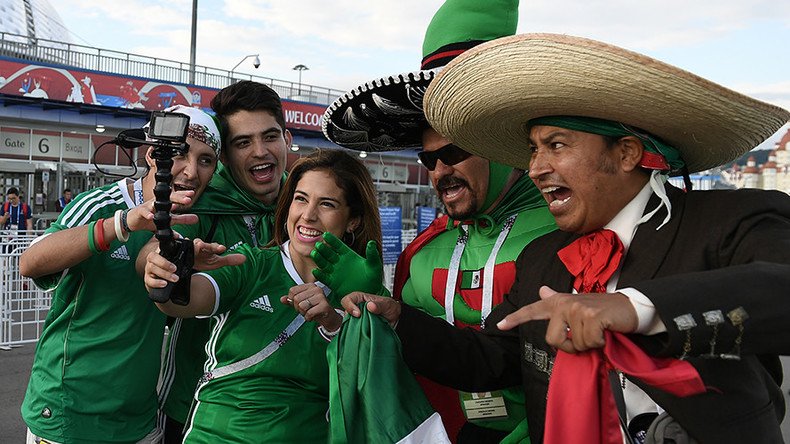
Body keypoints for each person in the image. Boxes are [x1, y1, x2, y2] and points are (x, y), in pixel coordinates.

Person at [342, 33, 790, 443]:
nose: (536, 168)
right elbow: (488, 357)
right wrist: (397, 318)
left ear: (626, 153)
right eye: (534, 149)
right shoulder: (543, 259)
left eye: (555, 146)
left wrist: (634, 308)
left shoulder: (731, 220)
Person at [322, 1, 554, 441]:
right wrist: (370, 304)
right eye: (428, 158)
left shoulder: (569, 236)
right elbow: (396, 372)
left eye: (453, 153)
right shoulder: (421, 252)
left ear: (503, 145)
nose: (439, 171)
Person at [143, 149, 383, 442]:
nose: (308, 215)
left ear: (353, 220)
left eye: (327, 204)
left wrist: (333, 322)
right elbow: (183, 301)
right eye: (300, 198)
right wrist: (165, 274)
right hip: (217, 435)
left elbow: (376, 378)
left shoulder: (364, 285)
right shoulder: (251, 263)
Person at [19, 105, 221, 444]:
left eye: (206, 160)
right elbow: (30, 261)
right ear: (153, 154)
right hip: (69, 417)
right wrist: (122, 224)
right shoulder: (101, 204)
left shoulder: (193, 222)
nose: (190, 171)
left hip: (140, 421)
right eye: (181, 152)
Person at [138, 80, 292, 443]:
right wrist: (155, 264)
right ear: (225, 155)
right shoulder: (203, 202)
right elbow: (162, 242)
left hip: (290, 407)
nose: (259, 152)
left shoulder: (305, 205)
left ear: (287, 139)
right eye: (242, 142)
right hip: (196, 406)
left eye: (269, 137)